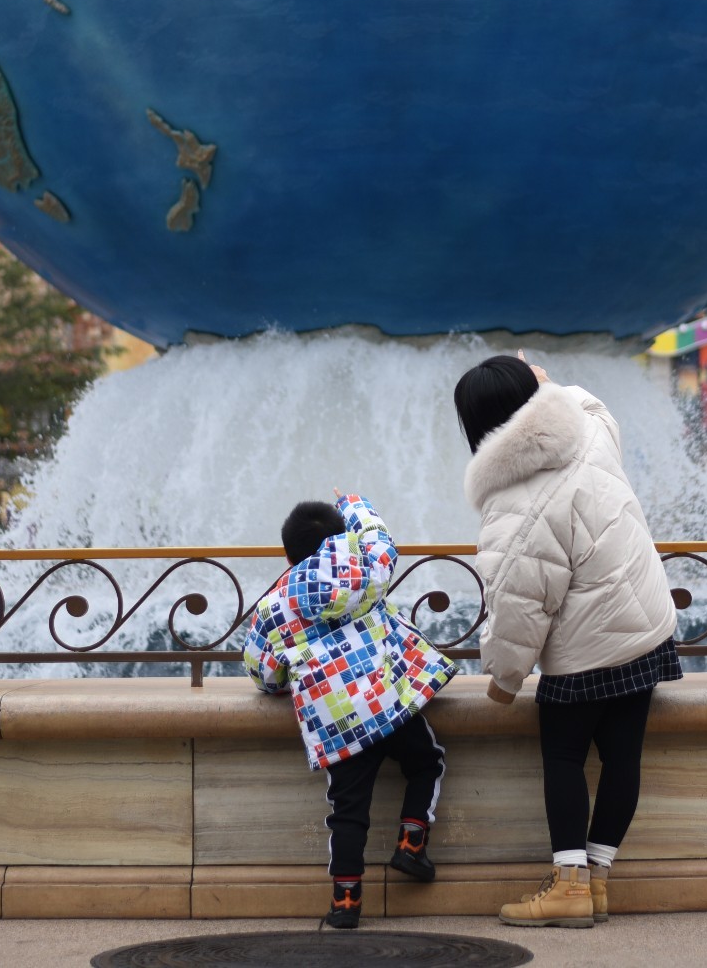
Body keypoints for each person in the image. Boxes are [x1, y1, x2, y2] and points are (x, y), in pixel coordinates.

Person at [457, 353, 681, 930]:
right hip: (646, 625)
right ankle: (599, 879)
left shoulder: (511, 504)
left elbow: (516, 607)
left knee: (563, 756)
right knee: (622, 757)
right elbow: (589, 400)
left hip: (586, 649)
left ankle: (570, 887)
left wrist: (505, 679)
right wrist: (546, 382)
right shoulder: (587, 426)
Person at [242, 492, 456, 930]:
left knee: (347, 810)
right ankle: (412, 843)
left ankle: (345, 901)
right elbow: (380, 537)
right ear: (341, 536)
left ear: (289, 553)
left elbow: (262, 671)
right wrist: (352, 501)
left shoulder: (274, 605)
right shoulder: (366, 567)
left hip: (336, 723)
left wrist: (283, 681)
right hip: (389, 703)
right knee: (427, 761)